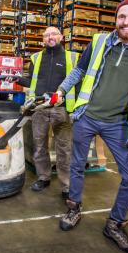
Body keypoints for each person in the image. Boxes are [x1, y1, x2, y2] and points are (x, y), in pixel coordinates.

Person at [57, 0, 128, 253]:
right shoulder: (100, 41)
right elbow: (78, 72)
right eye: (121, 16)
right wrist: (60, 91)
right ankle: (74, 207)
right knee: (77, 165)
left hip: (119, 124)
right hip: (87, 116)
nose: (126, 21)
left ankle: (115, 223)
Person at [20, 26, 79, 199]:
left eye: (53, 34)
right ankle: (43, 177)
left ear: (61, 37)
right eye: (46, 35)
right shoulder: (36, 58)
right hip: (39, 108)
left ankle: (67, 185)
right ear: (43, 39)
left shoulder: (72, 57)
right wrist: (17, 79)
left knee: (64, 148)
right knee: (39, 146)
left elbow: (79, 82)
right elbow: (31, 81)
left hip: (62, 109)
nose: (50, 37)